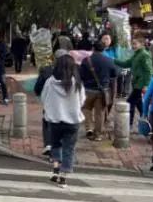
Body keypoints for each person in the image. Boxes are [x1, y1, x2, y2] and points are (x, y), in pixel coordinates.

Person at [40, 53, 85, 187]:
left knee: (56, 145)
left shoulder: (50, 81)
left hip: (55, 119)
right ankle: (63, 177)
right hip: (72, 120)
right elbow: (82, 100)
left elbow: (43, 98)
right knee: (69, 148)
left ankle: (55, 171)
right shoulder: (76, 83)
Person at [115, 36, 153, 131]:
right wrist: (114, 60)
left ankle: (129, 124)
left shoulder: (144, 55)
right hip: (136, 83)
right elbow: (127, 63)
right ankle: (148, 123)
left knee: (130, 102)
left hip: (140, 84)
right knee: (140, 105)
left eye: (135, 44)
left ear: (141, 44)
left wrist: (146, 85)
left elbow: (149, 70)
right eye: (133, 44)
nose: (133, 46)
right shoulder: (136, 54)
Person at [79, 49, 117, 141]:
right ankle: (98, 135)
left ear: (92, 49)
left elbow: (80, 75)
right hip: (102, 91)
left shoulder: (86, 60)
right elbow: (114, 74)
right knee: (100, 112)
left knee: (85, 108)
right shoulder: (109, 60)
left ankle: (89, 128)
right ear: (103, 49)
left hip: (88, 90)